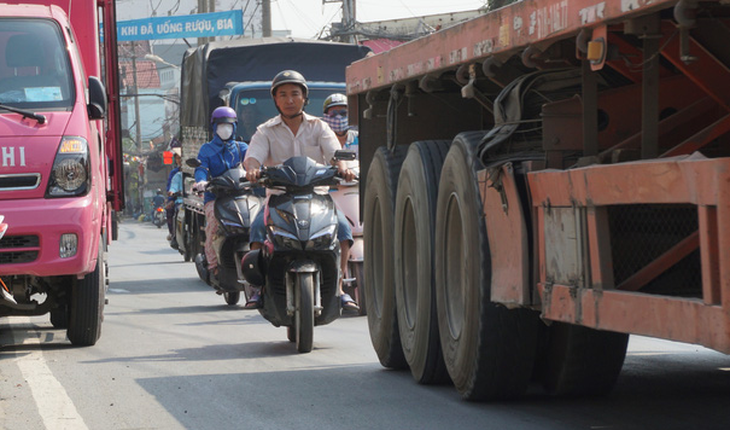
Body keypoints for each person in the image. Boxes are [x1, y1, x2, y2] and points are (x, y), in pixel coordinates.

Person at [243, 70, 358, 311]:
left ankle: (338, 286)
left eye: (295, 94)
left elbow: (336, 154)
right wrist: (252, 170)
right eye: (283, 94)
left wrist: (344, 168)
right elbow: (253, 157)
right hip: (278, 198)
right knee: (256, 229)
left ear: (304, 98)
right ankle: (258, 288)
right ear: (275, 100)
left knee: (345, 230)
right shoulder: (265, 130)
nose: (289, 100)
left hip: (317, 198)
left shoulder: (320, 127)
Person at [192, 106, 249, 284]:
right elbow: (201, 168)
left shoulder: (242, 148)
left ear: (235, 127)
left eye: (229, 125)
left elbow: (253, 164)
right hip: (215, 198)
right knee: (213, 227)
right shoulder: (206, 150)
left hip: (241, 196)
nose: (225, 129)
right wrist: (201, 182)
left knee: (257, 223)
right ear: (214, 127)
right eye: (221, 125)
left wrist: (259, 174)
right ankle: (213, 265)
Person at [322, 93, 358, 160]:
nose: (339, 117)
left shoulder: (359, 138)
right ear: (326, 116)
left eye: (343, 113)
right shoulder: (321, 139)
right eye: (333, 113)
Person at [165, 147, 182, 241]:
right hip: (178, 199)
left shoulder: (195, 172)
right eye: (177, 158)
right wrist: (171, 196)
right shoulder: (175, 174)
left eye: (181, 158)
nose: (179, 160)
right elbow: (172, 186)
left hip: (193, 199)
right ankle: (173, 233)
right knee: (170, 210)